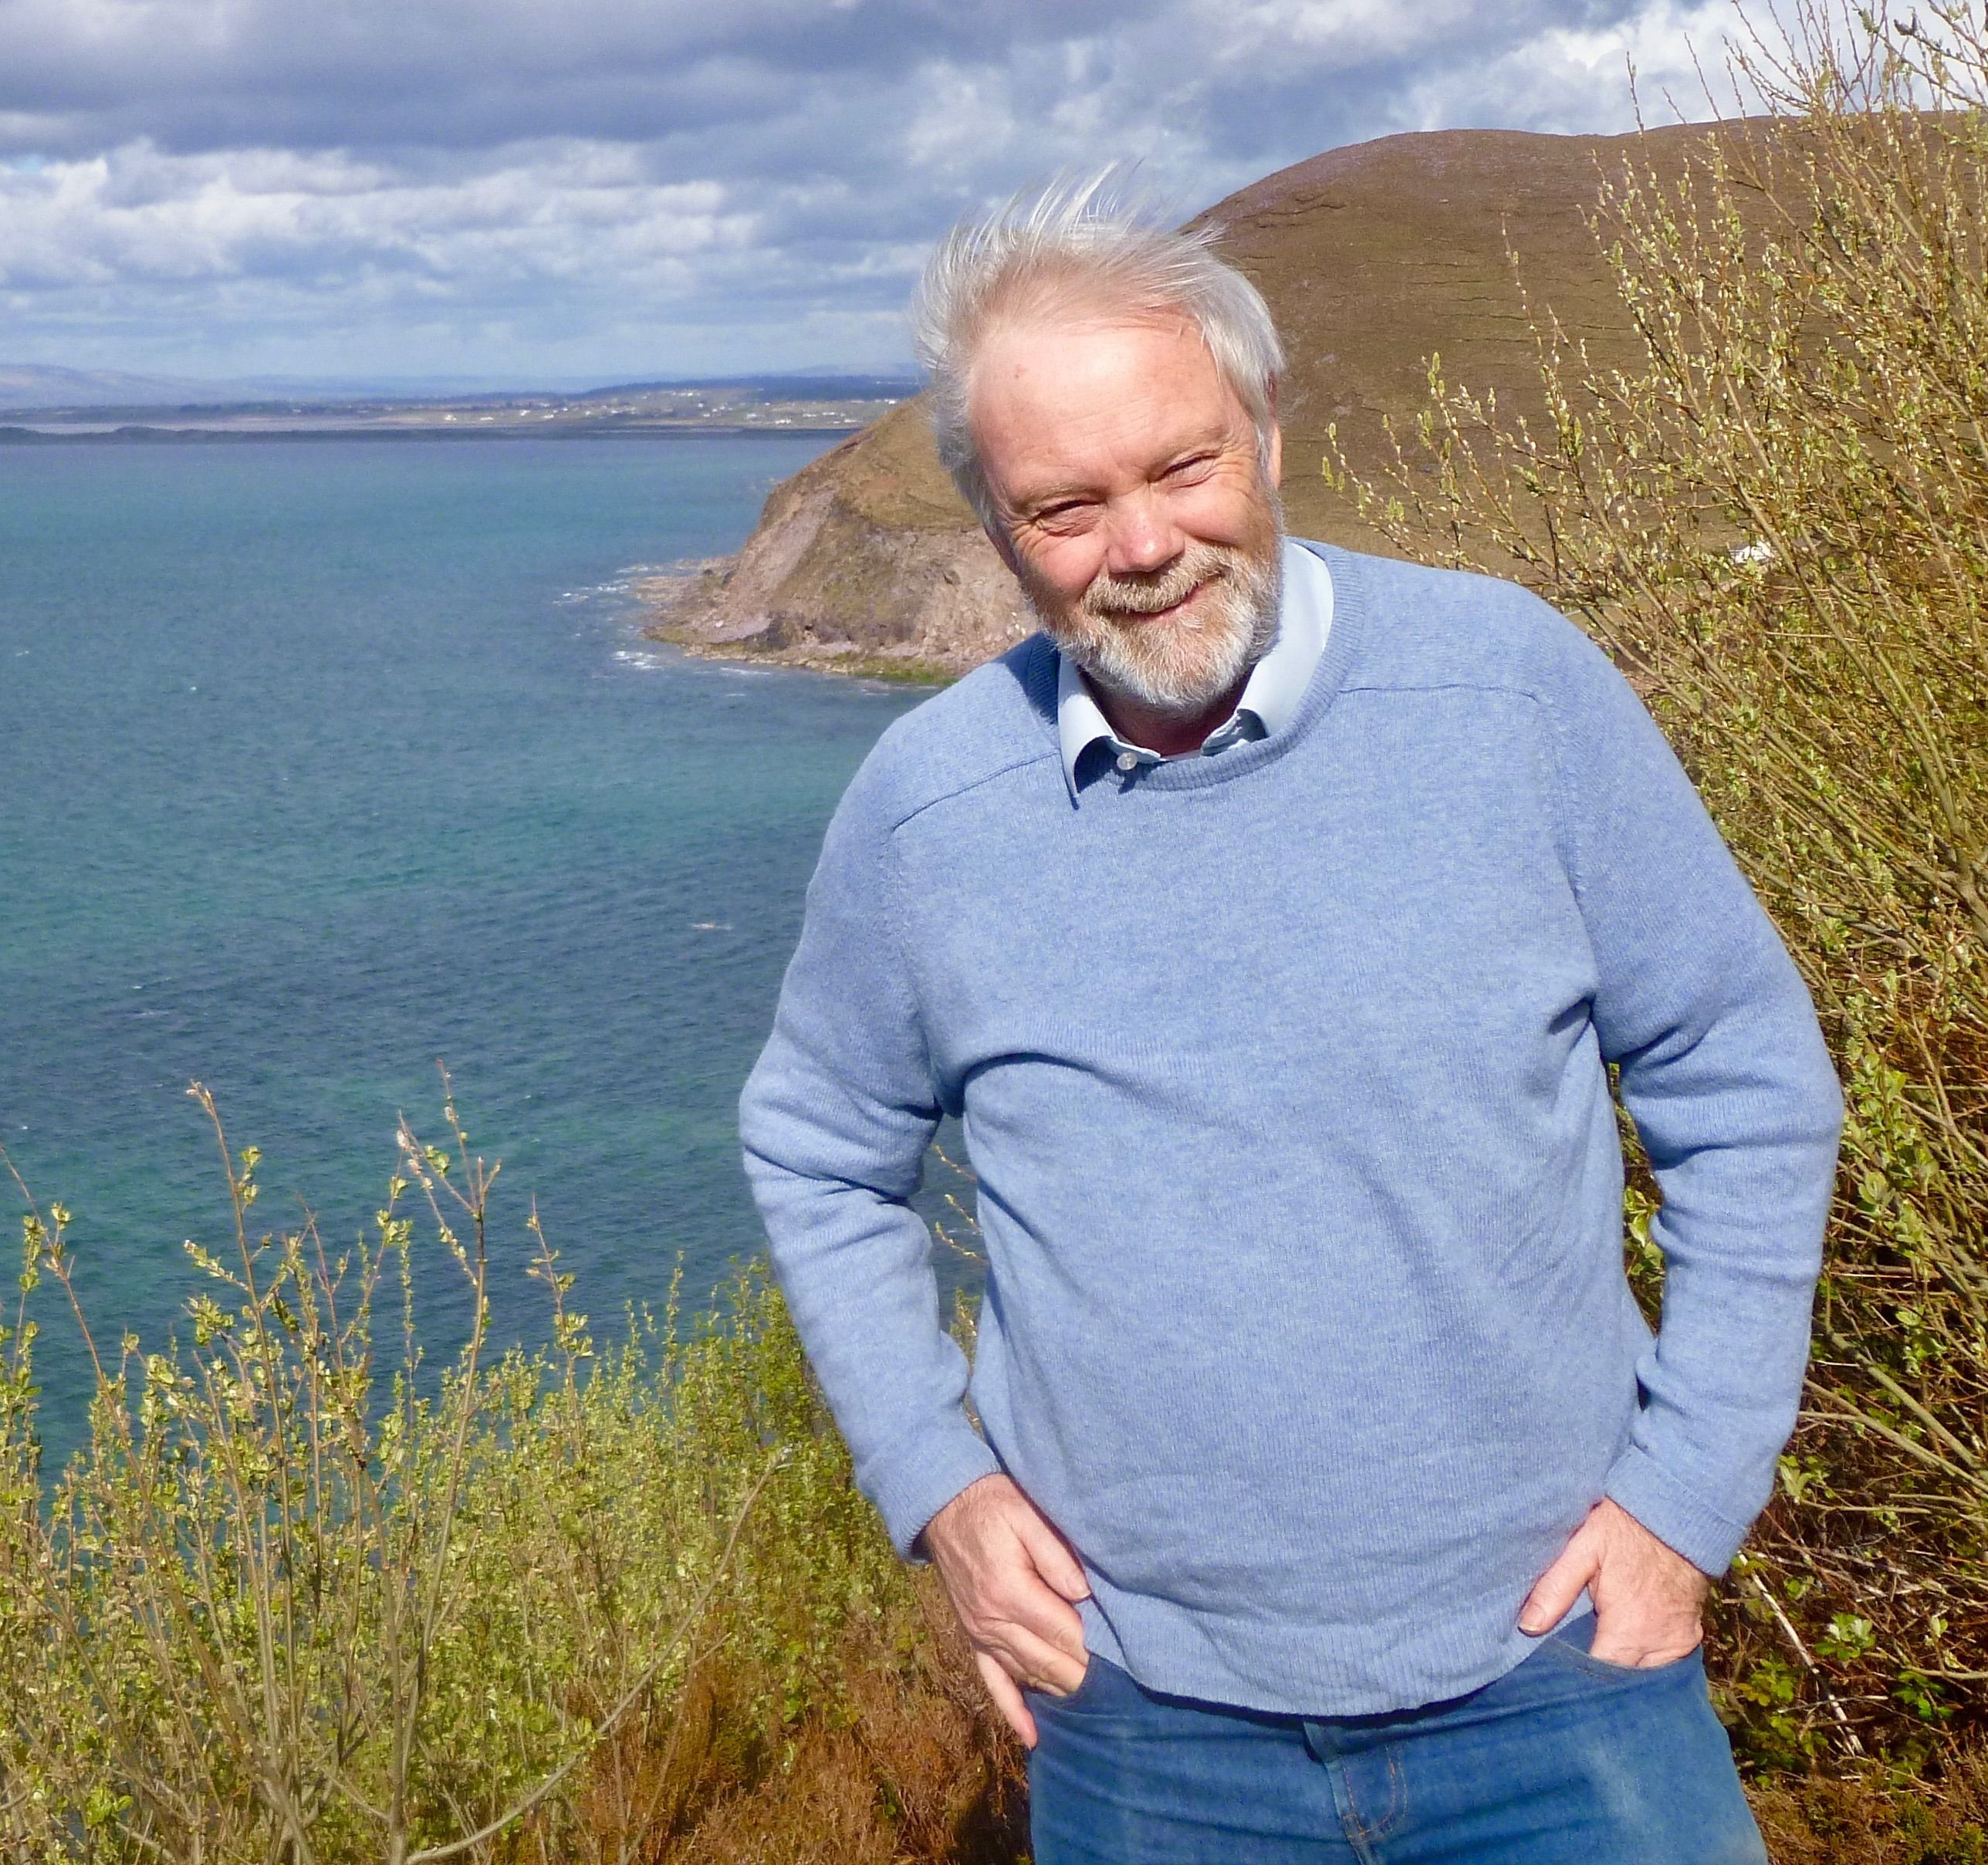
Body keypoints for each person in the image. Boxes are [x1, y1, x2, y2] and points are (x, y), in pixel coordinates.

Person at [737, 177, 1842, 1865]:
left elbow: (1744, 1075)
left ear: (1263, 432)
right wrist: (934, 1483)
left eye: (1180, 466)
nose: (1140, 547)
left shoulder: (1511, 691)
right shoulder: (927, 811)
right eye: (1064, 506)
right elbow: (817, 1147)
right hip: (1141, 1727)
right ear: (994, 532)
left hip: (1562, 1682)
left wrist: (1686, 1498)